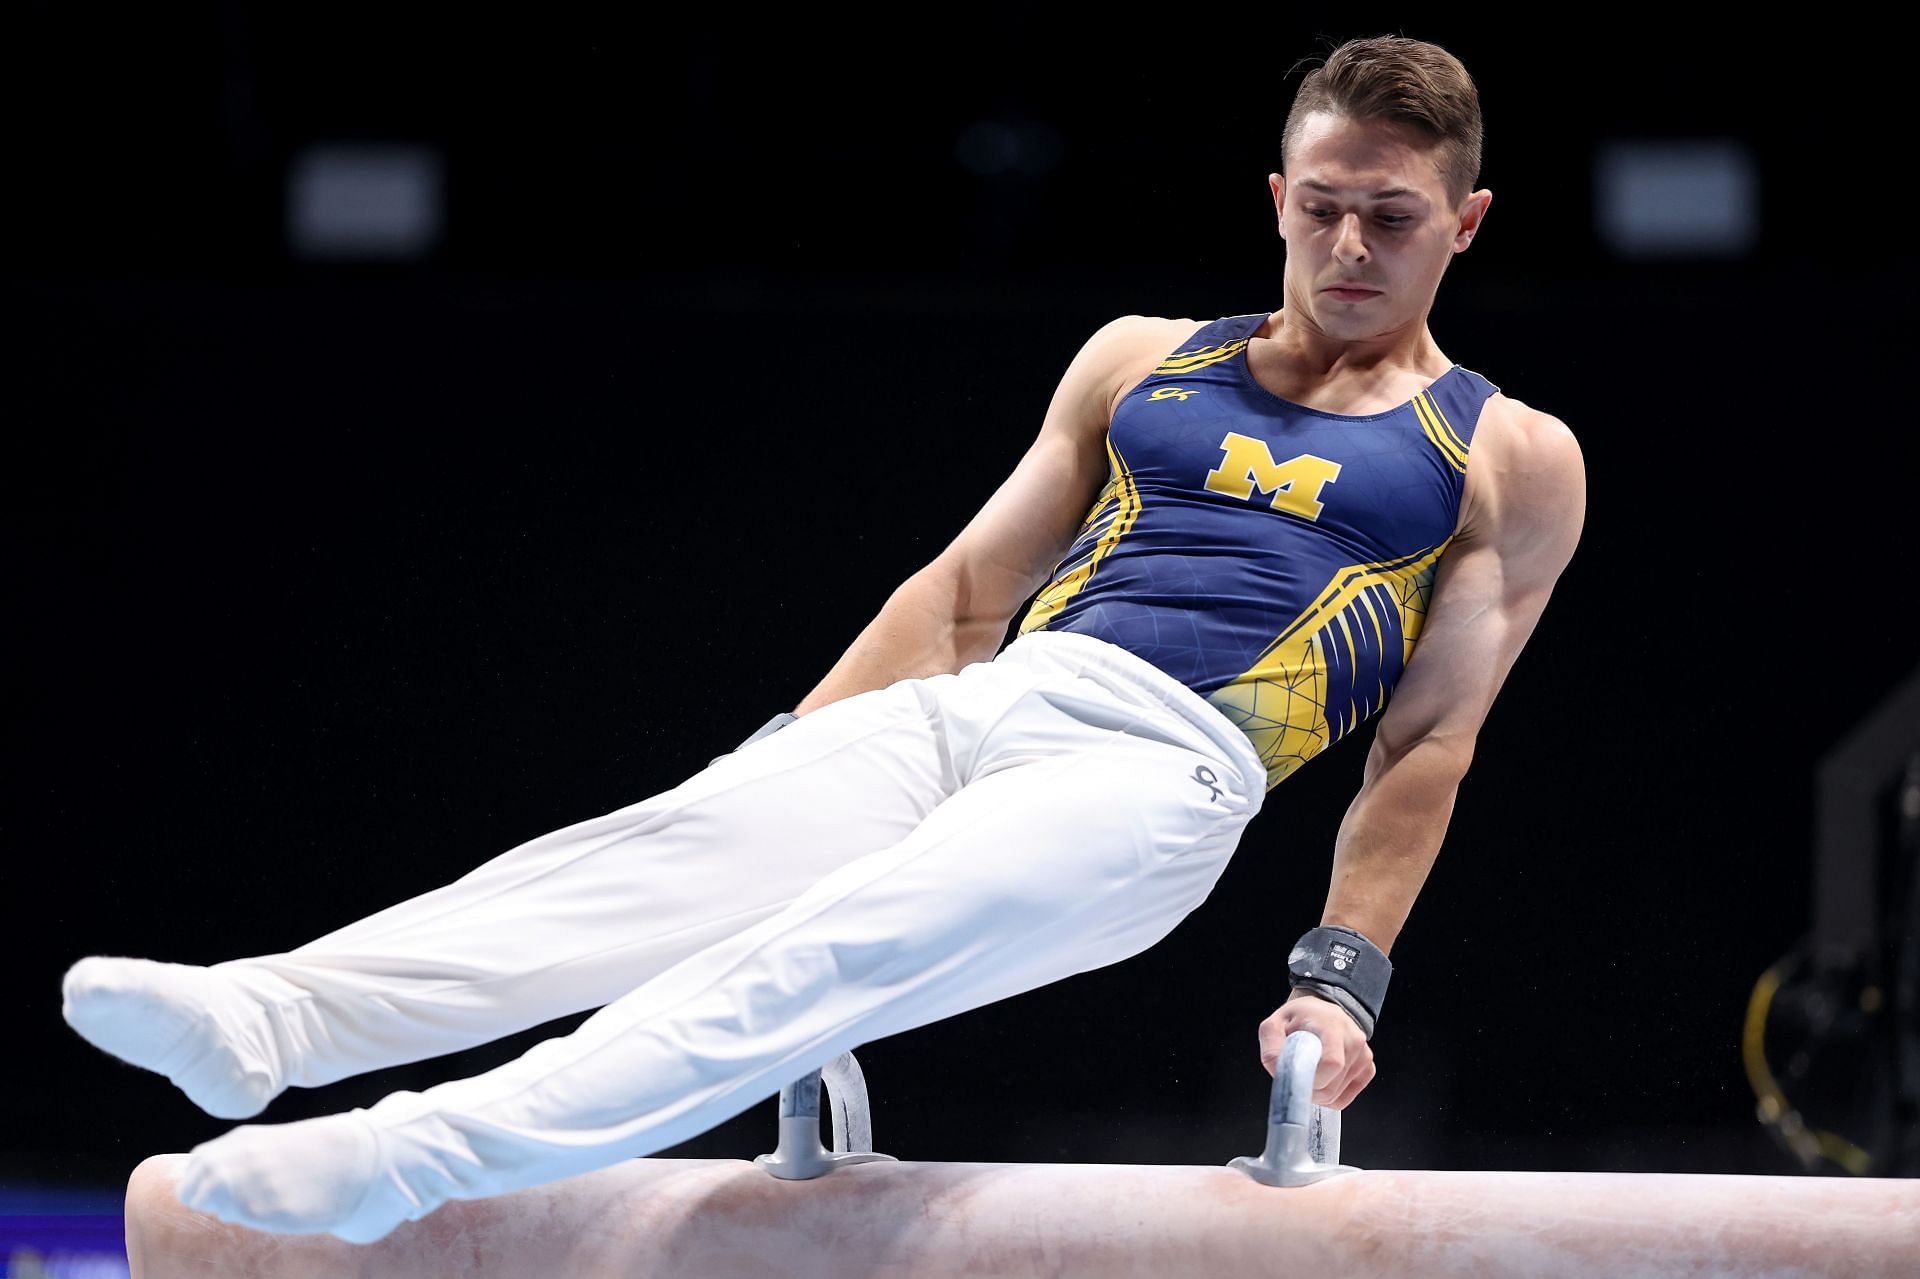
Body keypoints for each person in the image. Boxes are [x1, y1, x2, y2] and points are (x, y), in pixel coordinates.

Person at [61, 34, 1584, 1244]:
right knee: (645, 859)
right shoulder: (1142, 361)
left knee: (817, 961)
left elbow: (1427, 740)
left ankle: (410, 1160)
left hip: (1156, 784)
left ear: (1465, 222)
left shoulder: (1503, 453)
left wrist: (1341, 976)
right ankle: (271, 1019)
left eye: (1391, 217)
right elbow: (964, 594)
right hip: (983, 706)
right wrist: (792, 753)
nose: (1348, 245)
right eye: (1319, 205)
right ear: (1275, 197)